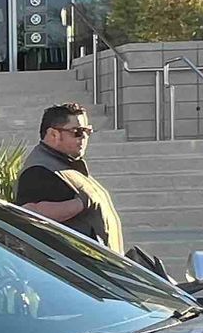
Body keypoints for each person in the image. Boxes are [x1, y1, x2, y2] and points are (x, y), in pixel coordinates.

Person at [15, 102, 125, 254]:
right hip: (74, 270)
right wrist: (81, 203)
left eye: (87, 131)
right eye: (77, 132)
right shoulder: (39, 170)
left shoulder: (66, 164)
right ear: (53, 134)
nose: (84, 137)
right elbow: (30, 212)